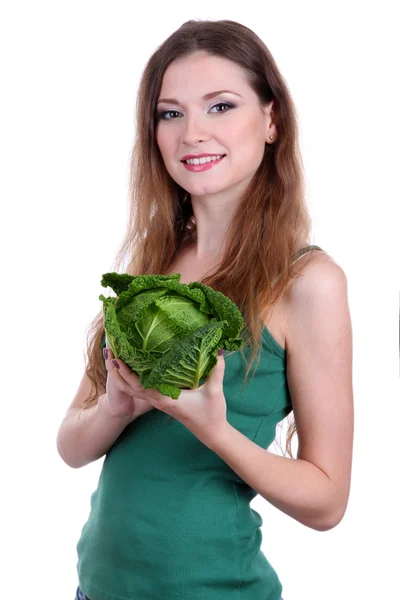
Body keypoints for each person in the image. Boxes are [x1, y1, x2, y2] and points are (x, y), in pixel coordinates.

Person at [56, 18, 354, 600]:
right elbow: (71, 445)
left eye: (220, 106)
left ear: (271, 120)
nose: (193, 132)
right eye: (171, 113)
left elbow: (328, 502)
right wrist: (117, 407)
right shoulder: (151, 266)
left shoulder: (307, 282)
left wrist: (214, 430)